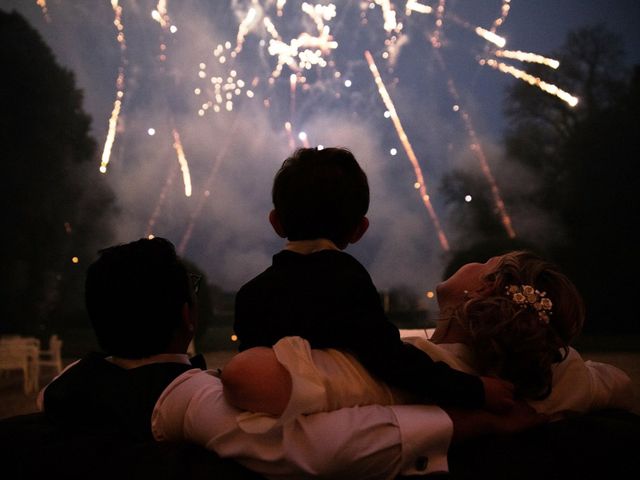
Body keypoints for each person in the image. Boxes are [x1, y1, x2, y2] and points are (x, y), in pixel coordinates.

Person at [37, 237, 542, 479]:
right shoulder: (188, 399)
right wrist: (467, 422)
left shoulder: (68, 382)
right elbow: (320, 450)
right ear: (188, 317)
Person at [234, 146, 512, 411]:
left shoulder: (249, 295)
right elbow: (392, 360)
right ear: (360, 230)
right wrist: (478, 391)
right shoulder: (346, 280)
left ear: (275, 222)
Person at [222, 251, 633, 423]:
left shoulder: (406, 371)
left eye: (485, 261)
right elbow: (618, 384)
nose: (472, 260)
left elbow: (248, 375)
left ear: (485, 288)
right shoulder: (563, 376)